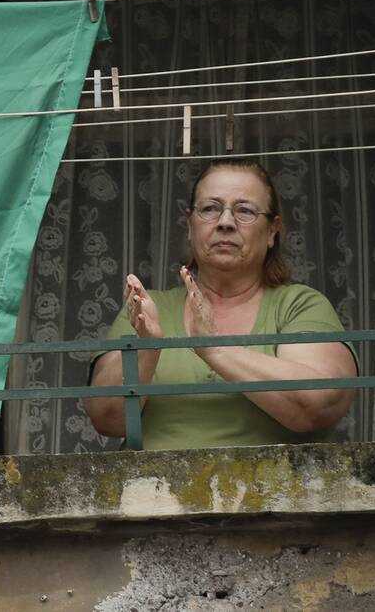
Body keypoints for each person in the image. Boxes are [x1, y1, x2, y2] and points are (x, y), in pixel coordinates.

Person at [85, 159, 356, 449]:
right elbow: (107, 420)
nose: (225, 222)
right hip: (153, 480)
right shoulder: (147, 309)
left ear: (272, 231)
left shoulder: (298, 304)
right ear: (190, 225)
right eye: (210, 209)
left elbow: (317, 406)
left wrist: (215, 349)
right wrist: (147, 349)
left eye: (245, 211)